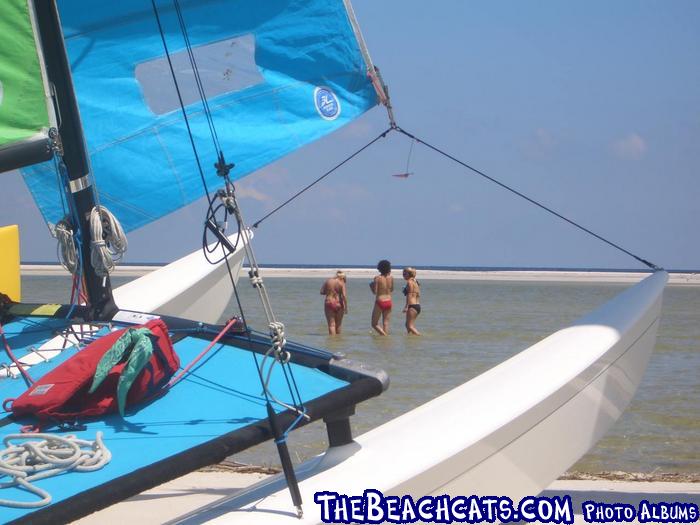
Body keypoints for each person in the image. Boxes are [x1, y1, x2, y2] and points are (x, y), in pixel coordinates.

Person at [370, 259, 393, 335]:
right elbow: (392, 289)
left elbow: (375, 292)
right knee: (386, 323)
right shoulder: (391, 278)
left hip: (380, 301)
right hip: (389, 301)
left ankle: (384, 336)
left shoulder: (377, 278)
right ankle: (385, 342)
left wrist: (371, 286)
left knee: (374, 324)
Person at [320, 271, 348, 335]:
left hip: (329, 302)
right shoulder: (342, 283)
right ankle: (337, 341)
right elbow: (344, 296)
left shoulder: (328, 281)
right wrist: (346, 307)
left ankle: (332, 341)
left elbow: (321, 292)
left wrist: (329, 292)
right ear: (343, 277)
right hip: (339, 304)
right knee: (338, 325)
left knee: (331, 325)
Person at [402, 267, 421, 335]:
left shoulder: (409, 282)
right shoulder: (416, 282)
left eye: (405, 274)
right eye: (403, 273)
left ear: (409, 274)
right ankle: (410, 340)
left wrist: (406, 306)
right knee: (408, 325)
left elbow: (409, 295)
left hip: (412, 306)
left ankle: (419, 337)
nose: (403, 275)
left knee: (409, 326)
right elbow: (418, 294)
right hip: (417, 306)